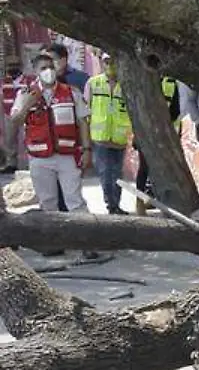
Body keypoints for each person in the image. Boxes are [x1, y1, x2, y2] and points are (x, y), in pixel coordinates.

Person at [11, 53, 93, 255]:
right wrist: (27, 105)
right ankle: (53, 243)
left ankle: (87, 243)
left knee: (75, 202)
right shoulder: (25, 94)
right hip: (39, 158)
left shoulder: (70, 92)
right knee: (47, 203)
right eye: (42, 68)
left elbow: (83, 122)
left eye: (51, 66)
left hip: (67, 155)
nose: (48, 71)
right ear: (35, 71)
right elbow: (15, 121)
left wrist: (87, 150)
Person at [41, 43, 87, 213]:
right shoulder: (33, 89)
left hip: (69, 150)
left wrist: (86, 148)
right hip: (44, 153)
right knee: (50, 199)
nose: (48, 67)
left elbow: (84, 118)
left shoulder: (78, 81)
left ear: (62, 60)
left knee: (73, 198)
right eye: (43, 63)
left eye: (51, 60)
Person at [84, 53, 131, 214]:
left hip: (119, 138)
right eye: (107, 61)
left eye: (113, 61)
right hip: (100, 138)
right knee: (105, 174)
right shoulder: (93, 83)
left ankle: (115, 204)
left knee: (117, 174)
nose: (110, 65)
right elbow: (86, 110)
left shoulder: (127, 85)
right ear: (101, 62)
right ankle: (111, 204)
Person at [132, 76, 182, 216]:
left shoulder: (172, 82)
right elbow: (136, 109)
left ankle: (166, 202)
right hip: (145, 132)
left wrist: (159, 122)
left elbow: (176, 109)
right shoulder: (140, 79)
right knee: (144, 168)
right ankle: (140, 201)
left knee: (168, 168)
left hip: (167, 132)